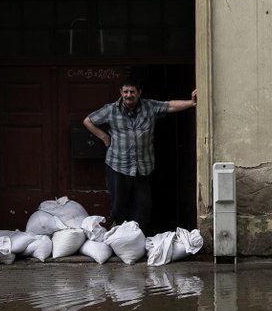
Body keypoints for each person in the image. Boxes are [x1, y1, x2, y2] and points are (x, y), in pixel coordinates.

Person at [83, 79, 197, 232]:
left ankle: (138, 236)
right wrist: (104, 137)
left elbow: (169, 105)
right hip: (118, 165)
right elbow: (88, 121)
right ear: (121, 92)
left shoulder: (149, 106)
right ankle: (121, 236)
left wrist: (191, 103)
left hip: (143, 167)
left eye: (132, 92)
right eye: (125, 92)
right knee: (118, 207)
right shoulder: (110, 110)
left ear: (139, 93)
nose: (128, 95)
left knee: (143, 206)